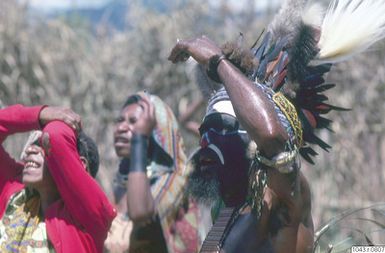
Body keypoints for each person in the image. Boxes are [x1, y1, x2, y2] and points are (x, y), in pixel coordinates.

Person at [168, 0, 385, 252]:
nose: (206, 141)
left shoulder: (280, 188)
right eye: (205, 131)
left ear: (253, 140)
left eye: (224, 128)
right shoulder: (231, 205)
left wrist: (217, 61)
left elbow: (272, 137)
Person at [0, 104, 116, 253]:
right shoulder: (14, 193)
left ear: (80, 165)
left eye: (43, 145)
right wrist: (38, 115)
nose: (29, 149)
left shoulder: (87, 218)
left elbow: (55, 135)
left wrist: (54, 117)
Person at [104, 92, 201, 253]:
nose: (121, 127)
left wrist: (139, 139)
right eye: (120, 120)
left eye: (134, 121)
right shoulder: (120, 185)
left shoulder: (174, 180)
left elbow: (140, 212)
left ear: (155, 132)